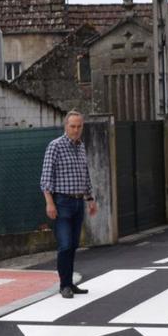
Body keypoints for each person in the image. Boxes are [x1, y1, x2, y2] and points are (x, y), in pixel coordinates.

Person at [40, 110, 98, 298]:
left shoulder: (81, 146)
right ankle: (64, 285)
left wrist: (90, 199)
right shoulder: (55, 146)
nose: (76, 130)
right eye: (72, 126)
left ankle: (70, 283)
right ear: (66, 126)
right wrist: (50, 203)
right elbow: (46, 178)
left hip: (78, 202)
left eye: (79, 126)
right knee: (64, 245)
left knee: (73, 244)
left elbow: (85, 174)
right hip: (62, 202)